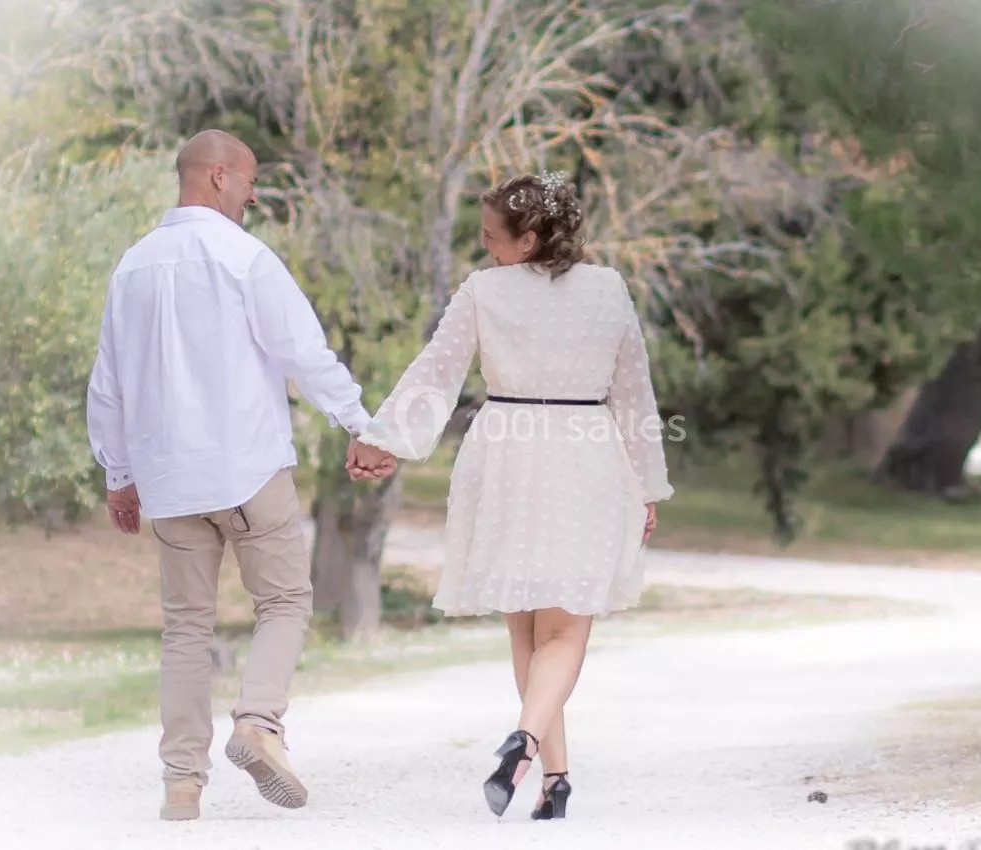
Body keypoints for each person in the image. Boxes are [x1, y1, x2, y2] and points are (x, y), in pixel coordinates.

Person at [85, 129, 395, 821]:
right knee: (284, 602)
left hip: (169, 480)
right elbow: (303, 353)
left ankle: (181, 785)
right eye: (251, 181)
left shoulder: (132, 267)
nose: (254, 195)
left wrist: (118, 474)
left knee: (185, 629)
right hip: (247, 468)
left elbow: (107, 384)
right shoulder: (246, 258)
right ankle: (258, 722)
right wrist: (361, 425)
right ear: (219, 176)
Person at [347, 171, 673, 820]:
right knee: (563, 627)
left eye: (492, 236)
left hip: (505, 455)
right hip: (585, 455)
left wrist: (384, 438)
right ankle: (530, 745)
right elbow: (634, 394)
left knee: (526, 625)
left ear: (528, 240)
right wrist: (646, 484)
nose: (485, 247)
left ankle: (554, 779)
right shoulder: (608, 289)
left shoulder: (483, 291)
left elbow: (436, 373)